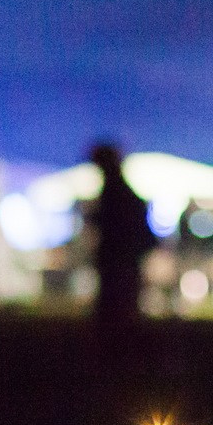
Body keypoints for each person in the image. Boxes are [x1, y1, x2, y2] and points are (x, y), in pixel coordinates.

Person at [87, 142, 152, 333]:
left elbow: (118, 225)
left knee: (117, 312)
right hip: (124, 260)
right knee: (122, 311)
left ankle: (118, 354)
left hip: (120, 260)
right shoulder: (119, 189)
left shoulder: (115, 190)